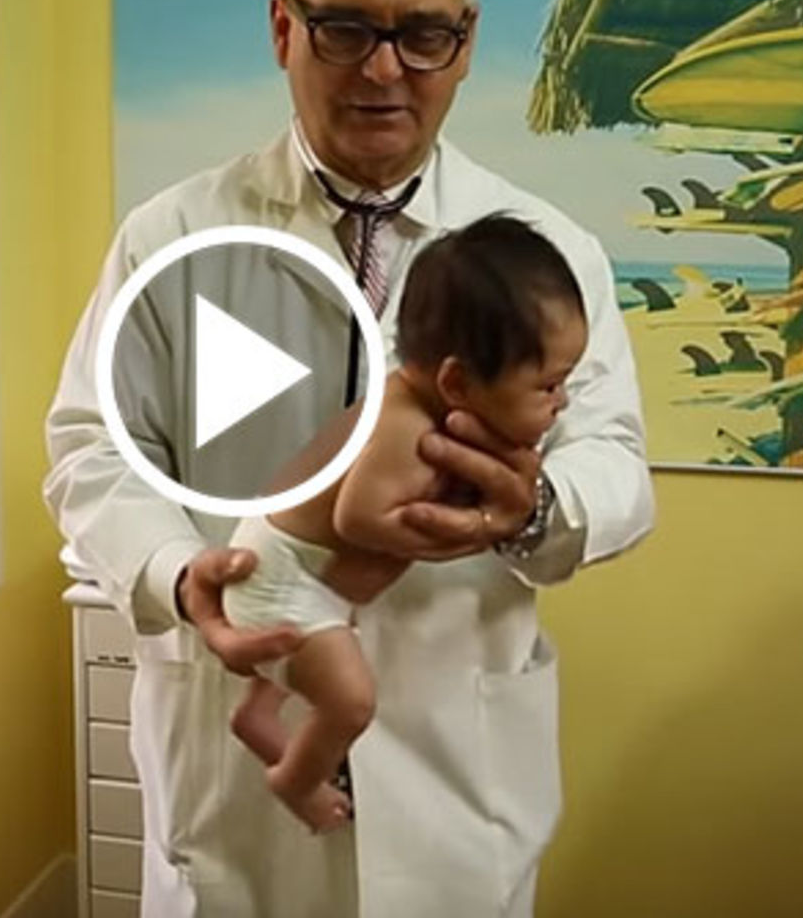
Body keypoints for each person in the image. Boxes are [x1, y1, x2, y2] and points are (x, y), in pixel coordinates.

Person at [44, 0, 654, 916]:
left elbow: (617, 464)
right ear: (283, 27)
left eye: (423, 35)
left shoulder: (551, 254)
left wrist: (533, 509)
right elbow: (91, 453)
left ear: (466, 42)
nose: (384, 70)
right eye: (345, 29)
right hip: (239, 760)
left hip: (456, 778)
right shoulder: (173, 234)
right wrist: (183, 578)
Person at [224, 215, 588, 834]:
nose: (564, 402)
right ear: (457, 381)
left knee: (319, 648)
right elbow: (356, 516)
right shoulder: (405, 428)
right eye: (549, 385)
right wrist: (447, 532)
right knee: (351, 702)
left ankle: (256, 715)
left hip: (288, 571)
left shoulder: (415, 399)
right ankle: (296, 781)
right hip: (276, 580)